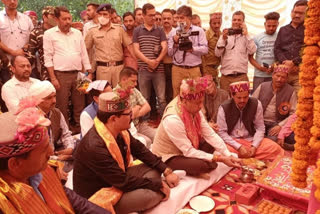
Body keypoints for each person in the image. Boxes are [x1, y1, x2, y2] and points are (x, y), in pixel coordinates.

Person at [73, 89, 179, 214]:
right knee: (151, 196)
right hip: (99, 194)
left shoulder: (119, 129)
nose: (132, 116)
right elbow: (122, 181)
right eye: (128, 114)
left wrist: (166, 170)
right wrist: (157, 184)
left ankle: (138, 195)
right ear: (113, 119)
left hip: (117, 179)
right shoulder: (94, 147)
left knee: (154, 169)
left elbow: (140, 150)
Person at [0, 107, 110, 213]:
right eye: (43, 150)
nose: (51, 152)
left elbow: (77, 202)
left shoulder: (41, 172)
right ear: (15, 164)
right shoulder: (4, 202)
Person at [152, 77, 241, 178]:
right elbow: (188, 151)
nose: (200, 106)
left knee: (211, 143)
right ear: (185, 101)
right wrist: (219, 158)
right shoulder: (173, 119)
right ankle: (194, 168)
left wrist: (227, 154)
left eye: (201, 102)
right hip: (170, 155)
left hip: (186, 148)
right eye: (197, 103)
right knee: (202, 166)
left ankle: (195, 166)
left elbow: (209, 134)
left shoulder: (195, 109)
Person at [44, 6, 92, 133]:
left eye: (69, 18)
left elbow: (84, 54)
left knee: (80, 104)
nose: (68, 22)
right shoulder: (49, 34)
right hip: (60, 75)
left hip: (79, 74)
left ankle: (81, 129)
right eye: (64, 19)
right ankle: (64, 132)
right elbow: (47, 57)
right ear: (56, 19)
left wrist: (88, 73)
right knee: (62, 105)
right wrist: (53, 78)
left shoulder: (77, 33)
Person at [217, 81, 284, 160]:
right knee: (221, 152)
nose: (242, 100)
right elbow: (221, 132)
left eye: (245, 97)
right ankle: (250, 158)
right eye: (239, 98)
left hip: (251, 140)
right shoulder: (224, 108)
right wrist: (239, 147)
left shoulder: (256, 104)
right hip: (233, 142)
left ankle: (240, 158)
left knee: (275, 148)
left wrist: (254, 146)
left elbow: (260, 128)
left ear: (249, 94)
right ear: (232, 95)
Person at [133, 3, 168, 116]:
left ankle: (164, 121)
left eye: (154, 15)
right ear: (143, 15)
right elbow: (136, 50)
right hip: (143, 69)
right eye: (150, 15)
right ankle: (144, 122)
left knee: (162, 98)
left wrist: (156, 61)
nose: (153, 17)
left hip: (159, 70)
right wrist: (149, 62)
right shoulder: (137, 30)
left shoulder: (160, 30)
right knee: (144, 98)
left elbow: (165, 47)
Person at [85, 4, 132, 87]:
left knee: (120, 94)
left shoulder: (119, 29)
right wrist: (89, 70)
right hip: (102, 69)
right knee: (104, 95)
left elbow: (129, 47)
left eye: (105, 14)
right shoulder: (92, 31)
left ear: (110, 16)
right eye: (100, 14)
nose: (102, 17)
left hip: (119, 68)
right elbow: (85, 50)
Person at [29, 80, 76, 164]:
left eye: (54, 96)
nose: (54, 100)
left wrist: (70, 148)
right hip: (41, 161)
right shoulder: (30, 118)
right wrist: (58, 158)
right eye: (49, 98)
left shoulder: (56, 112)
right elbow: (35, 152)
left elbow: (66, 134)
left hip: (56, 152)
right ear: (38, 101)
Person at [168, 5, 208, 97]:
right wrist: (175, 43)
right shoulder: (173, 32)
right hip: (177, 69)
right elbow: (169, 53)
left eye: (182, 18)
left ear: (189, 18)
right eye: (178, 18)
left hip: (194, 69)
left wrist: (192, 49)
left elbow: (205, 49)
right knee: (177, 96)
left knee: (196, 95)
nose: (179, 20)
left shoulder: (199, 31)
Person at [252, 64, 297, 141]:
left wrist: (280, 125)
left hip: (276, 124)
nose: (279, 79)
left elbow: (294, 113)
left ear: (286, 79)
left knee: (272, 141)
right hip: (259, 122)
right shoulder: (263, 86)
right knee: (251, 138)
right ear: (273, 75)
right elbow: (251, 104)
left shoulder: (291, 91)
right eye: (277, 76)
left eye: (283, 77)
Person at [215, 11, 256, 91]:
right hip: (226, 78)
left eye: (239, 20)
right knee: (225, 102)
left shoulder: (246, 36)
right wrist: (223, 39)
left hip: (241, 77)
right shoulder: (225, 35)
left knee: (242, 102)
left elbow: (252, 50)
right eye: (234, 20)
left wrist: (246, 34)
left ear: (243, 22)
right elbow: (217, 53)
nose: (236, 22)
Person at [114, 67, 155, 145]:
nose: (136, 84)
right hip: (127, 129)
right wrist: (136, 109)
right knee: (146, 141)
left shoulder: (134, 90)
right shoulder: (115, 95)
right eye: (133, 81)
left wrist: (135, 113)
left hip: (138, 124)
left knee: (157, 136)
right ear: (124, 80)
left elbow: (147, 107)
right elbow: (121, 118)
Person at [274, 0, 308, 93]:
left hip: (300, 73)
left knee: (300, 100)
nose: (297, 15)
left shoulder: (309, 30)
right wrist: (285, 63)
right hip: (283, 73)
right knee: (282, 100)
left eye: (301, 13)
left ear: (306, 14)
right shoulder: (283, 29)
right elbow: (277, 49)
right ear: (291, 12)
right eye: (295, 12)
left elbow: (309, 49)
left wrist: (294, 62)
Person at [0, 0, 34, 82]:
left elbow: (33, 38)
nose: (12, 1)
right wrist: (12, 52)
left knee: (29, 90)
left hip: (25, 64)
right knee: (8, 90)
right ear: (3, 1)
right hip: (6, 63)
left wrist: (24, 49)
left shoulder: (26, 19)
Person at [249, 12, 280, 92]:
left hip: (275, 75)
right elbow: (250, 57)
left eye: (274, 26)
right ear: (264, 24)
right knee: (257, 98)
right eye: (268, 26)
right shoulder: (257, 37)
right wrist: (259, 67)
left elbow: (282, 56)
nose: (271, 28)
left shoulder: (280, 36)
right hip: (259, 75)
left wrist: (274, 66)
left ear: (278, 24)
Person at [27, 6, 57, 81]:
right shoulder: (36, 32)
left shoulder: (61, 30)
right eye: (52, 15)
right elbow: (31, 55)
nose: (55, 18)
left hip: (64, 69)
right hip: (46, 71)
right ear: (44, 16)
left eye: (56, 16)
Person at [202, 12, 222, 83]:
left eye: (219, 23)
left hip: (216, 70)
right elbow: (202, 55)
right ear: (210, 24)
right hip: (207, 69)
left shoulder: (222, 35)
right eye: (214, 23)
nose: (217, 25)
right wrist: (204, 72)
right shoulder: (205, 35)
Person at [162, 8, 174, 103]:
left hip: (174, 65)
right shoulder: (158, 32)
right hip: (161, 65)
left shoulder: (177, 32)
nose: (166, 20)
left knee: (172, 90)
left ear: (173, 19)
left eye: (168, 18)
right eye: (164, 18)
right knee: (163, 91)